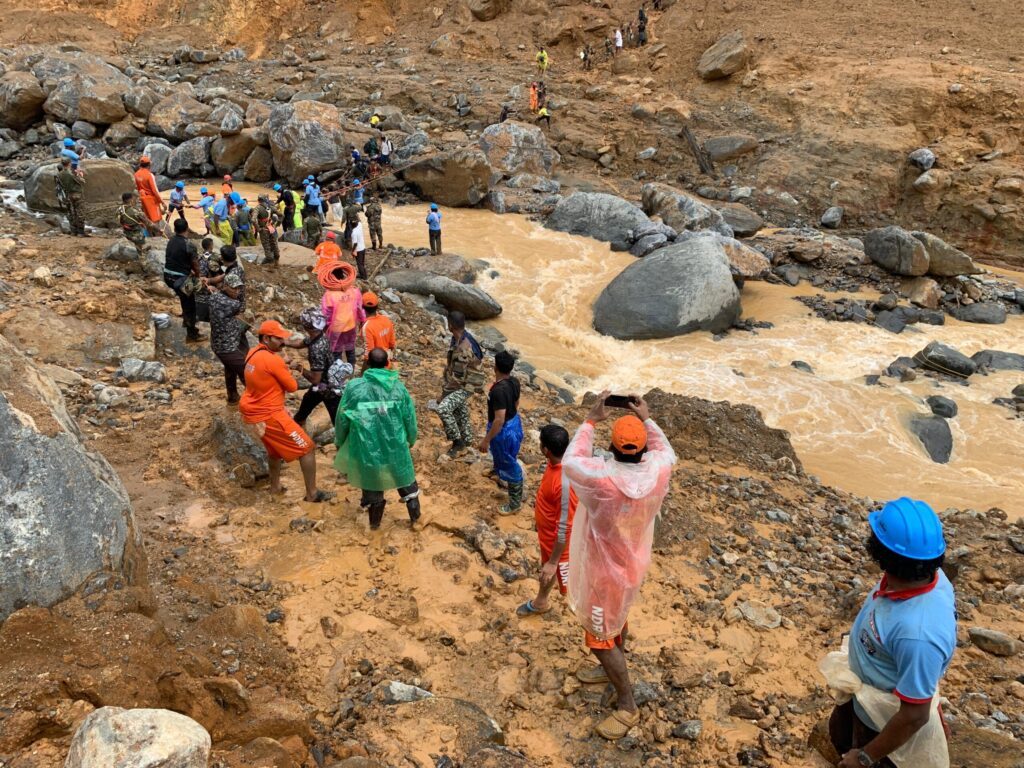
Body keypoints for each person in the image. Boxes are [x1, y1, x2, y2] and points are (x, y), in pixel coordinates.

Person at [564, 392, 676, 739]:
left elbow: (571, 460)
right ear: (644, 449)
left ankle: (627, 704)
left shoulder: (600, 478)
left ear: (610, 448)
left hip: (602, 572)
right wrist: (647, 418)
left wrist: (591, 420)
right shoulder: (658, 470)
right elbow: (667, 451)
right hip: (633, 565)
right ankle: (618, 660)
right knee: (618, 618)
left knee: (598, 640)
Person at [827, 498, 955, 768]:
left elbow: (914, 715)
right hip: (865, 695)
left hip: (883, 718)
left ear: (880, 552)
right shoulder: (926, 576)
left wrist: (865, 757)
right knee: (839, 736)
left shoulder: (918, 635)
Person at [239, 320, 334, 503]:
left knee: (274, 451)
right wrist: (287, 367)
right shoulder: (273, 360)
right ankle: (312, 494)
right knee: (306, 448)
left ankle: (275, 488)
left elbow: (265, 376)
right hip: (270, 414)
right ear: (266, 338)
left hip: (255, 410)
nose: (283, 342)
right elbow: (292, 386)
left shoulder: (252, 353)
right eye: (278, 339)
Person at [335, 347, 421, 530]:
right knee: (405, 479)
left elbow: (342, 417)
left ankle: (374, 528)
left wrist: (340, 441)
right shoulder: (398, 388)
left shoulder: (354, 387)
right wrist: (412, 438)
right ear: (387, 364)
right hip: (395, 444)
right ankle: (416, 520)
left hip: (367, 446)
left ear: (367, 363)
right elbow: (409, 417)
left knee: (372, 483)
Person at [516, 424, 578, 617]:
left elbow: (566, 527)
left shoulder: (565, 482)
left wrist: (554, 561)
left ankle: (593, 624)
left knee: (567, 584)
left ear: (545, 450)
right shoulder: (556, 464)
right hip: (548, 535)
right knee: (547, 571)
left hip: (559, 544)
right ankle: (541, 601)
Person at [478, 351, 524, 514]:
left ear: (495, 367)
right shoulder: (514, 382)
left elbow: (499, 420)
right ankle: (497, 471)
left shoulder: (497, 391)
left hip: (503, 430)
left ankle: (515, 503)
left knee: (510, 464)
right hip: (514, 424)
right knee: (501, 454)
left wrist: (486, 440)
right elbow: (516, 403)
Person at [435, 310, 483, 457]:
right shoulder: (459, 338)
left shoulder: (463, 348)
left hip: (467, 385)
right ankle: (467, 439)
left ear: (450, 325)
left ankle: (458, 443)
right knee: (459, 408)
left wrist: (443, 394)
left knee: (443, 408)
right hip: (463, 381)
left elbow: (458, 379)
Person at [286, 307, 340, 427]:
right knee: (306, 403)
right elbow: (302, 343)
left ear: (306, 326)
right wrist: (286, 342)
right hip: (322, 385)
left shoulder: (317, 348)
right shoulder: (319, 334)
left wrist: (298, 367)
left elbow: (316, 378)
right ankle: (298, 426)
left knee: (337, 420)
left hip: (328, 388)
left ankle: (344, 440)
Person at [207, 271, 248, 403]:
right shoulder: (233, 304)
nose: (237, 291)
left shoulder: (214, 297)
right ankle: (257, 401)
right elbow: (241, 307)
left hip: (220, 342)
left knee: (230, 369)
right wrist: (241, 296)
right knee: (246, 372)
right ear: (224, 286)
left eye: (239, 288)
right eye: (234, 288)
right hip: (227, 346)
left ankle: (232, 396)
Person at [163, 218, 203, 342]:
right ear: (187, 228)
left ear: (175, 229)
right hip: (180, 279)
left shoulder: (171, 241)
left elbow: (176, 259)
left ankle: (186, 315)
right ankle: (192, 333)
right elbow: (195, 263)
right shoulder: (189, 244)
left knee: (184, 297)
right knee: (190, 302)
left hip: (167, 275)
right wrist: (198, 275)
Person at [321, 265, 365, 367]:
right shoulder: (354, 290)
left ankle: (338, 373)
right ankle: (351, 370)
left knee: (336, 350)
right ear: (343, 275)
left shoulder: (329, 294)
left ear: (331, 278)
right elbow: (359, 308)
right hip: (351, 324)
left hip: (336, 327)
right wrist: (362, 320)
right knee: (350, 349)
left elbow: (326, 314)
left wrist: (324, 328)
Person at [361, 292, 396, 369]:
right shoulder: (386, 320)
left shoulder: (367, 327)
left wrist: (363, 374)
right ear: (377, 306)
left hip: (375, 369)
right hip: (387, 365)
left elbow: (368, 355)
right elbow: (392, 344)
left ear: (362, 307)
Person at [134, 156, 166, 234]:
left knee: (147, 219)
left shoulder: (136, 174)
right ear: (149, 165)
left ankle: (149, 235)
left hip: (142, 199)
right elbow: (155, 190)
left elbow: (138, 189)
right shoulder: (149, 175)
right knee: (156, 219)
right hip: (151, 200)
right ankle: (157, 237)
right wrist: (162, 202)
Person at [56, 156, 86, 236]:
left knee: (72, 213)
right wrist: (80, 174)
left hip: (68, 195)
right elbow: (82, 182)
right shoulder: (72, 173)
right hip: (77, 194)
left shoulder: (59, 174)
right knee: (80, 212)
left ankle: (73, 230)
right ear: (69, 163)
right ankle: (81, 232)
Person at [117, 191, 148, 257]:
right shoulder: (135, 211)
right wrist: (158, 230)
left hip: (126, 231)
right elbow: (149, 223)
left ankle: (139, 250)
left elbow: (120, 221)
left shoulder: (120, 209)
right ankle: (140, 253)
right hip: (135, 233)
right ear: (130, 199)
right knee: (140, 233)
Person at [195, 237, 218, 324]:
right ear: (211, 246)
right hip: (209, 290)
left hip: (198, 290)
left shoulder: (198, 256)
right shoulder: (214, 257)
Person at [254, 194, 281, 264]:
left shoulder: (258, 208)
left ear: (258, 200)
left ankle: (269, 258)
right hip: (271, 227)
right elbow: (281, 214)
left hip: (264, 229)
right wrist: (277, 224)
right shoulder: (270, 206)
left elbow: (253, 219)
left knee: (266, 244)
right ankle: (277, 256)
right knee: (273, 242)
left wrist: (258, 229)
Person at [350, 213, 368, 279]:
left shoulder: (354, 233)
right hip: (363, 247)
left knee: (359, 264)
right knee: (362, 263)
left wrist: (352, 251)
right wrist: (356, 215)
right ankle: (364, 274)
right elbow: (359, 220)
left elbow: (355, 244)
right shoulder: (359, 225)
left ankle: (363, 276)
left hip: (358, 249)